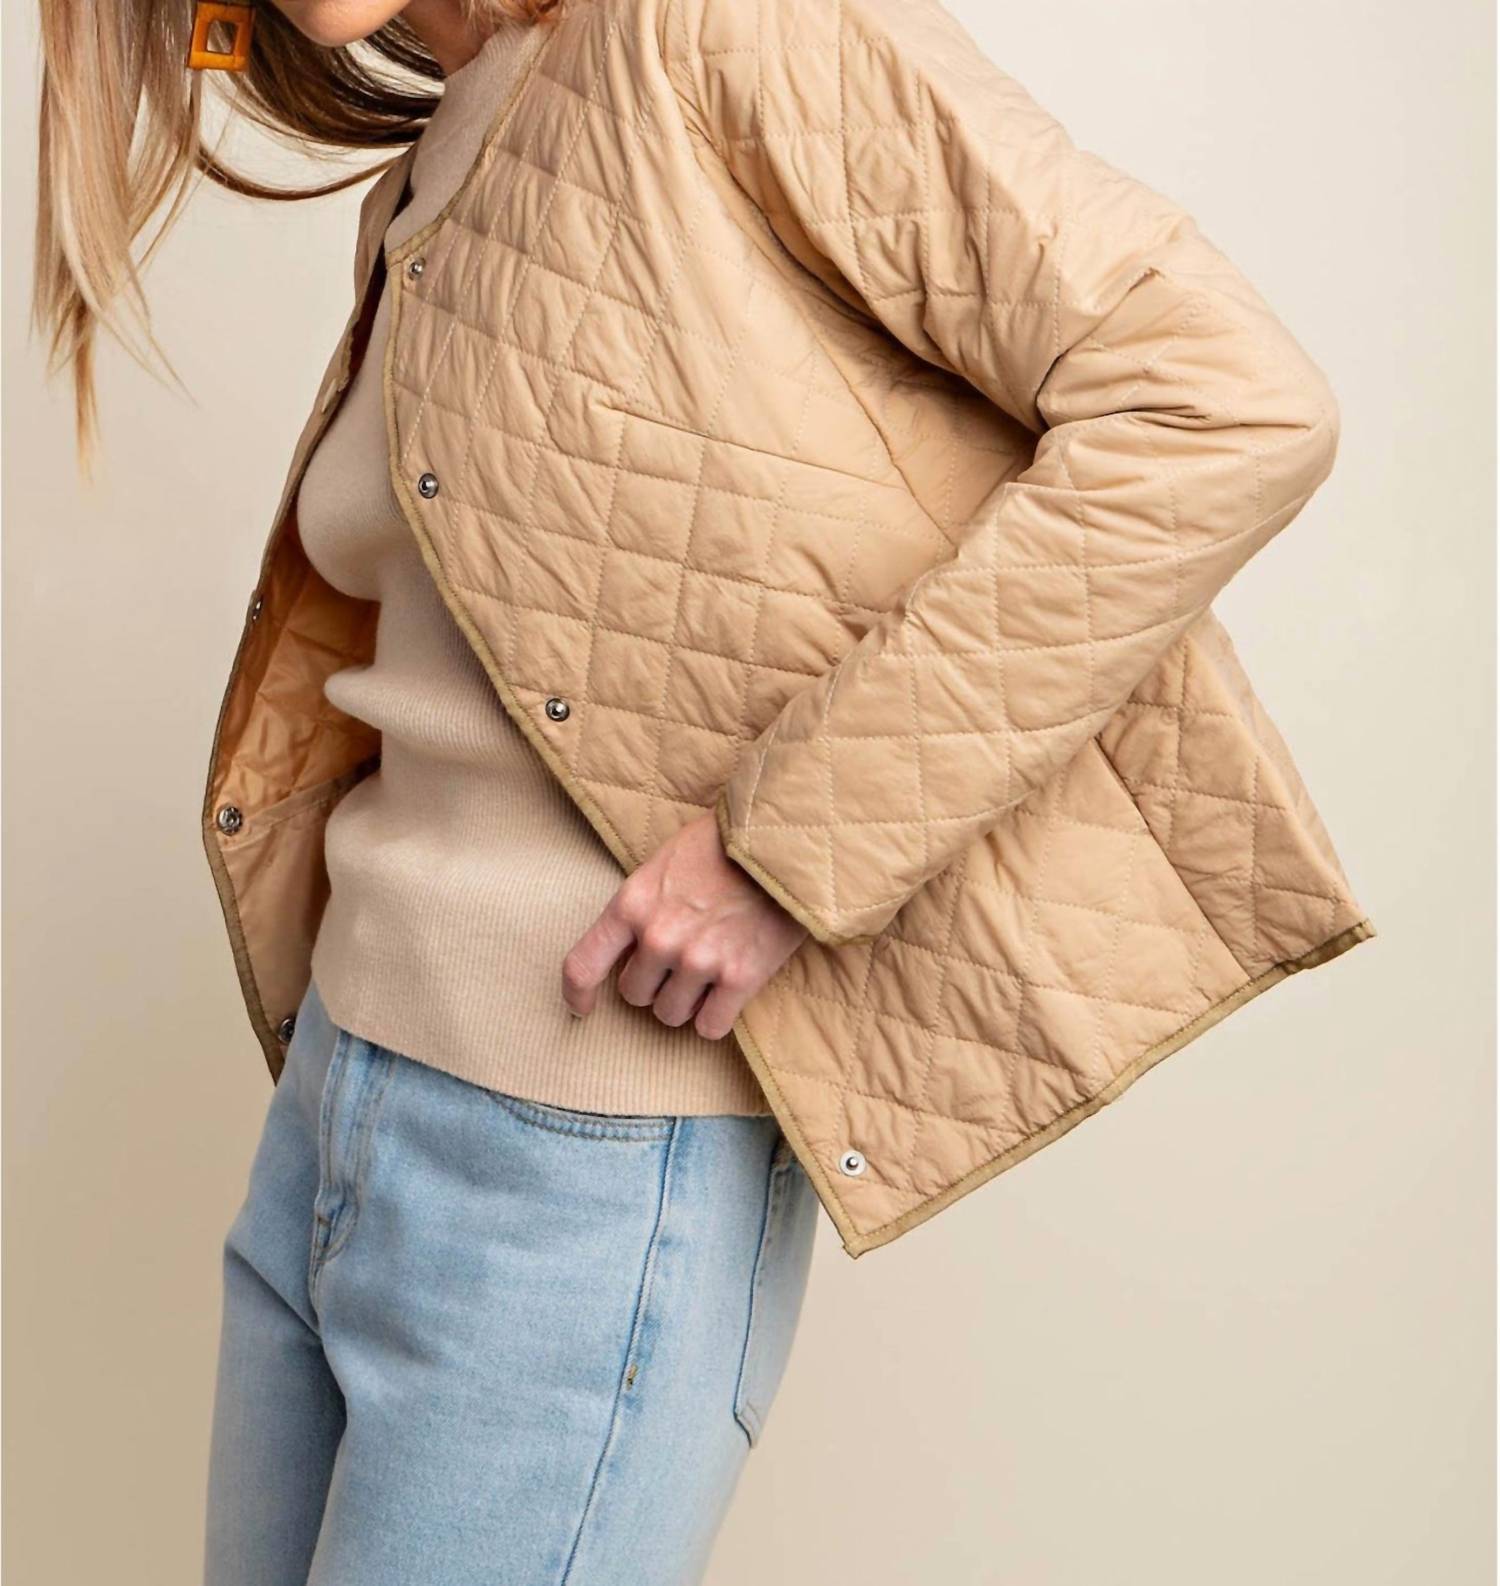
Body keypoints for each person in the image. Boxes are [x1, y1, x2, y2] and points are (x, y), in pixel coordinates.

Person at [32, 0, 1373, 1580]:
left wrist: (786, 849)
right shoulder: (432, 164)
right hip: (336, 1104)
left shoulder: (715, 28)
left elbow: (1223, 401)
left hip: (577, 1166)